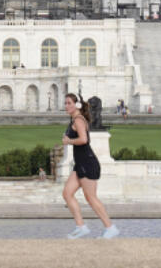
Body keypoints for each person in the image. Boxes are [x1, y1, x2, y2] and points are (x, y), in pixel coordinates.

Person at [61, 92, 119, 239]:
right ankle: (81, 227)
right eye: (65, 103)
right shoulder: (75, 119)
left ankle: (110, 228)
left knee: (91, 198)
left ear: (77, 105)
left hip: (87, 162)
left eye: (69, 103)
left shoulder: (78, 120)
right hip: (80, 163)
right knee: (67, 193)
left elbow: (84, 140)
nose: (66, 106)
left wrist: (69, 141)